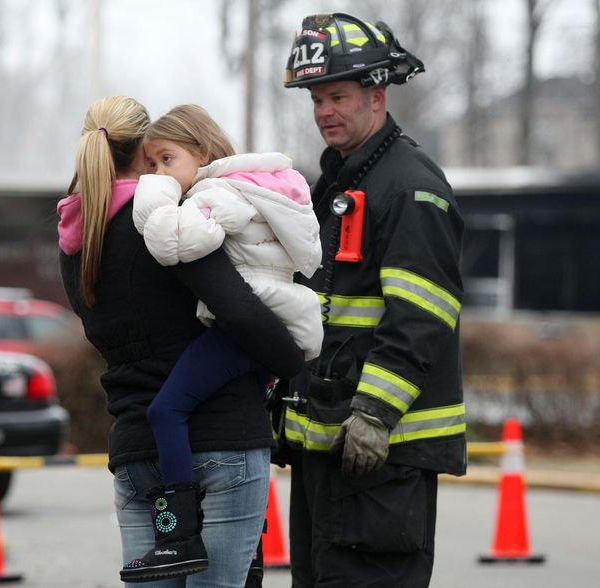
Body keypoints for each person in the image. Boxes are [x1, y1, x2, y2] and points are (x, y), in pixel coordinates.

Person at [57, 96, 305, 587]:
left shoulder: (76, 241)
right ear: (146, 154)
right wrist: (290, 356)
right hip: (220, 444)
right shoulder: (165, 223)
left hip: (135, 451)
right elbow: (239, 310)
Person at [276, 13, 467, 588]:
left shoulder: (410, 187)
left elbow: (423, 314)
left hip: (382, 453)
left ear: (377, 97)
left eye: (338, 96)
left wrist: (375, 412)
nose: (324, 111)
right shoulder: (340, 184)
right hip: (331, 451)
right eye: (317, 99)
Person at [127, 104, 324, 577]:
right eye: (150, 165)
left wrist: (156, 193)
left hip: (249, 321)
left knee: (165, 410)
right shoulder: (256, 185)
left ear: (205, 151)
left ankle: (177, 537)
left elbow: (172, 242)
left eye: (167, 160)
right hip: (273, 316)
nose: (158, 173)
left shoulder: (220, 192)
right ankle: (247, 542)